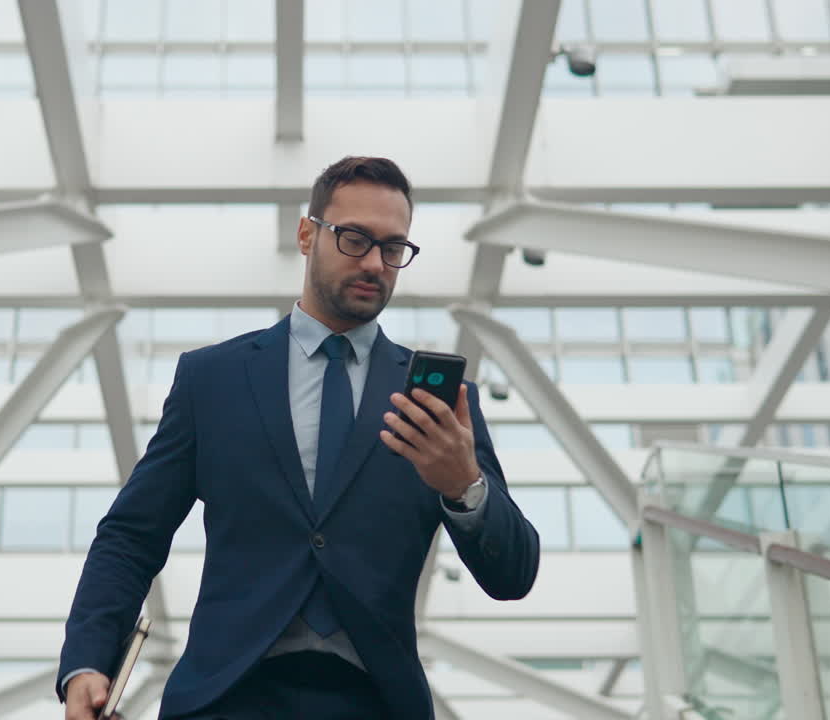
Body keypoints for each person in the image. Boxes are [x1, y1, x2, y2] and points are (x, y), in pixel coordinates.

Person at [58, 156, 540, 720]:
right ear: (307, 234)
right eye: (355, 238)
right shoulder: (212, 381)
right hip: (226, 697)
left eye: (393, 249)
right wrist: (88, 663)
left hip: (375, 701)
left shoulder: (443, 406)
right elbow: (131, 536)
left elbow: (513, 576)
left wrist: (465, 486)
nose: (375, 264)